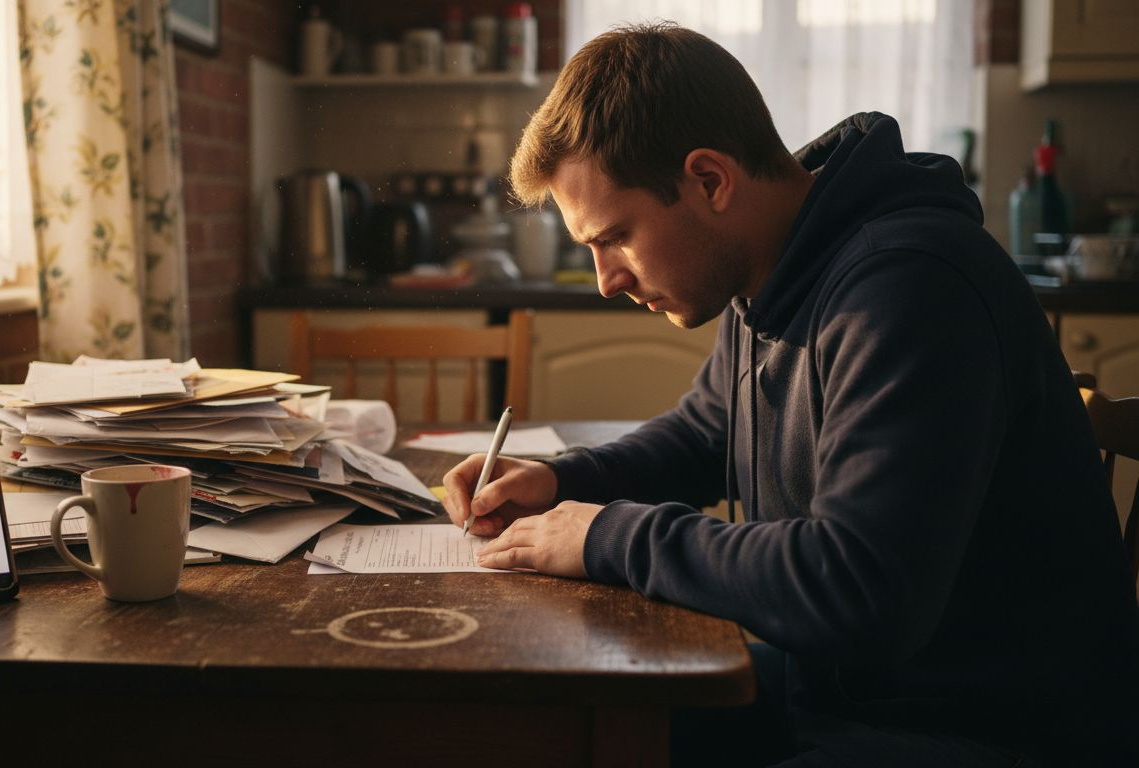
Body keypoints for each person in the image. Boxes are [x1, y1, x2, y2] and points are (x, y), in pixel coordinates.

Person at [443, 23, 1139, 767]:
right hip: (851, 692)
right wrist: (562, 481)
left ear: (709, 181)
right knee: (543, 728)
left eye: (615, 236)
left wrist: (604, 535)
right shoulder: (773, 267)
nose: (607, 277)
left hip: (988, 731)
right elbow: (706, 435)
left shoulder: (911, 287)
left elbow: (858, 587)